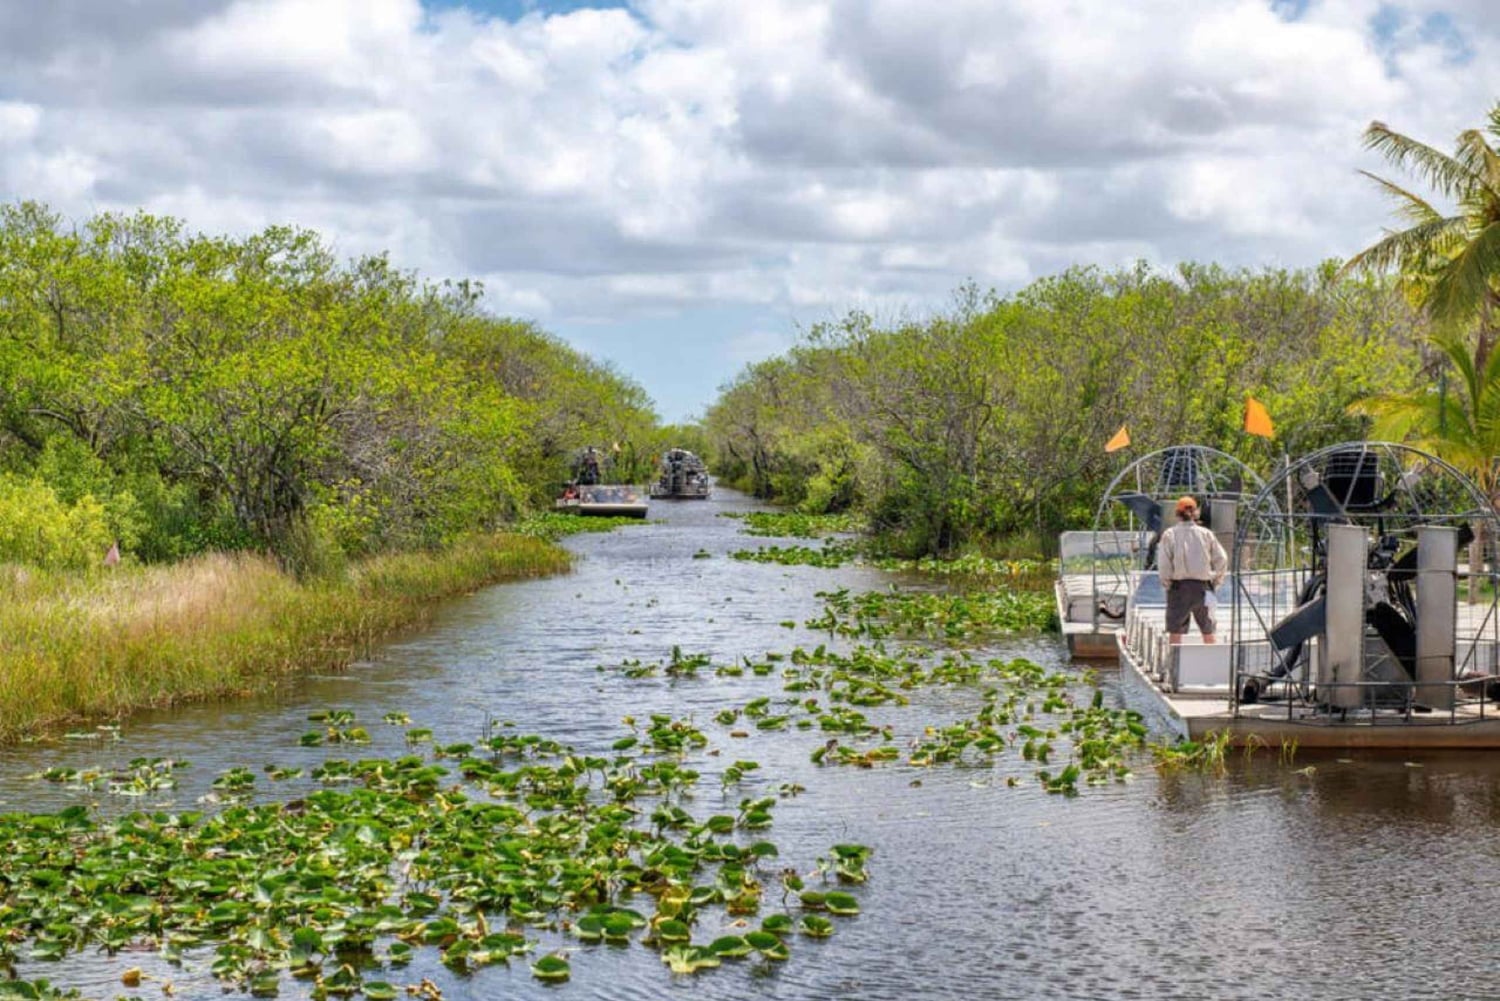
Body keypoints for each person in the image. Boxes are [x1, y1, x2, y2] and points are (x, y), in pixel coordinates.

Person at [1157, 495, 1228, 644]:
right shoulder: (1206, 534)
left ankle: (1174, 659)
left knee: (1175, 632)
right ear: (1196, 513)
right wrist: (1215, 582)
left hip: (1179, 588)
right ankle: (1213, 658)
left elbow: (1164, 565)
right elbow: (1222, 559)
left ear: (1177, 514)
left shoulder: (1170, 534)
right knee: (1208, 631)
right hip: (1203, 587)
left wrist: (1168, 584)